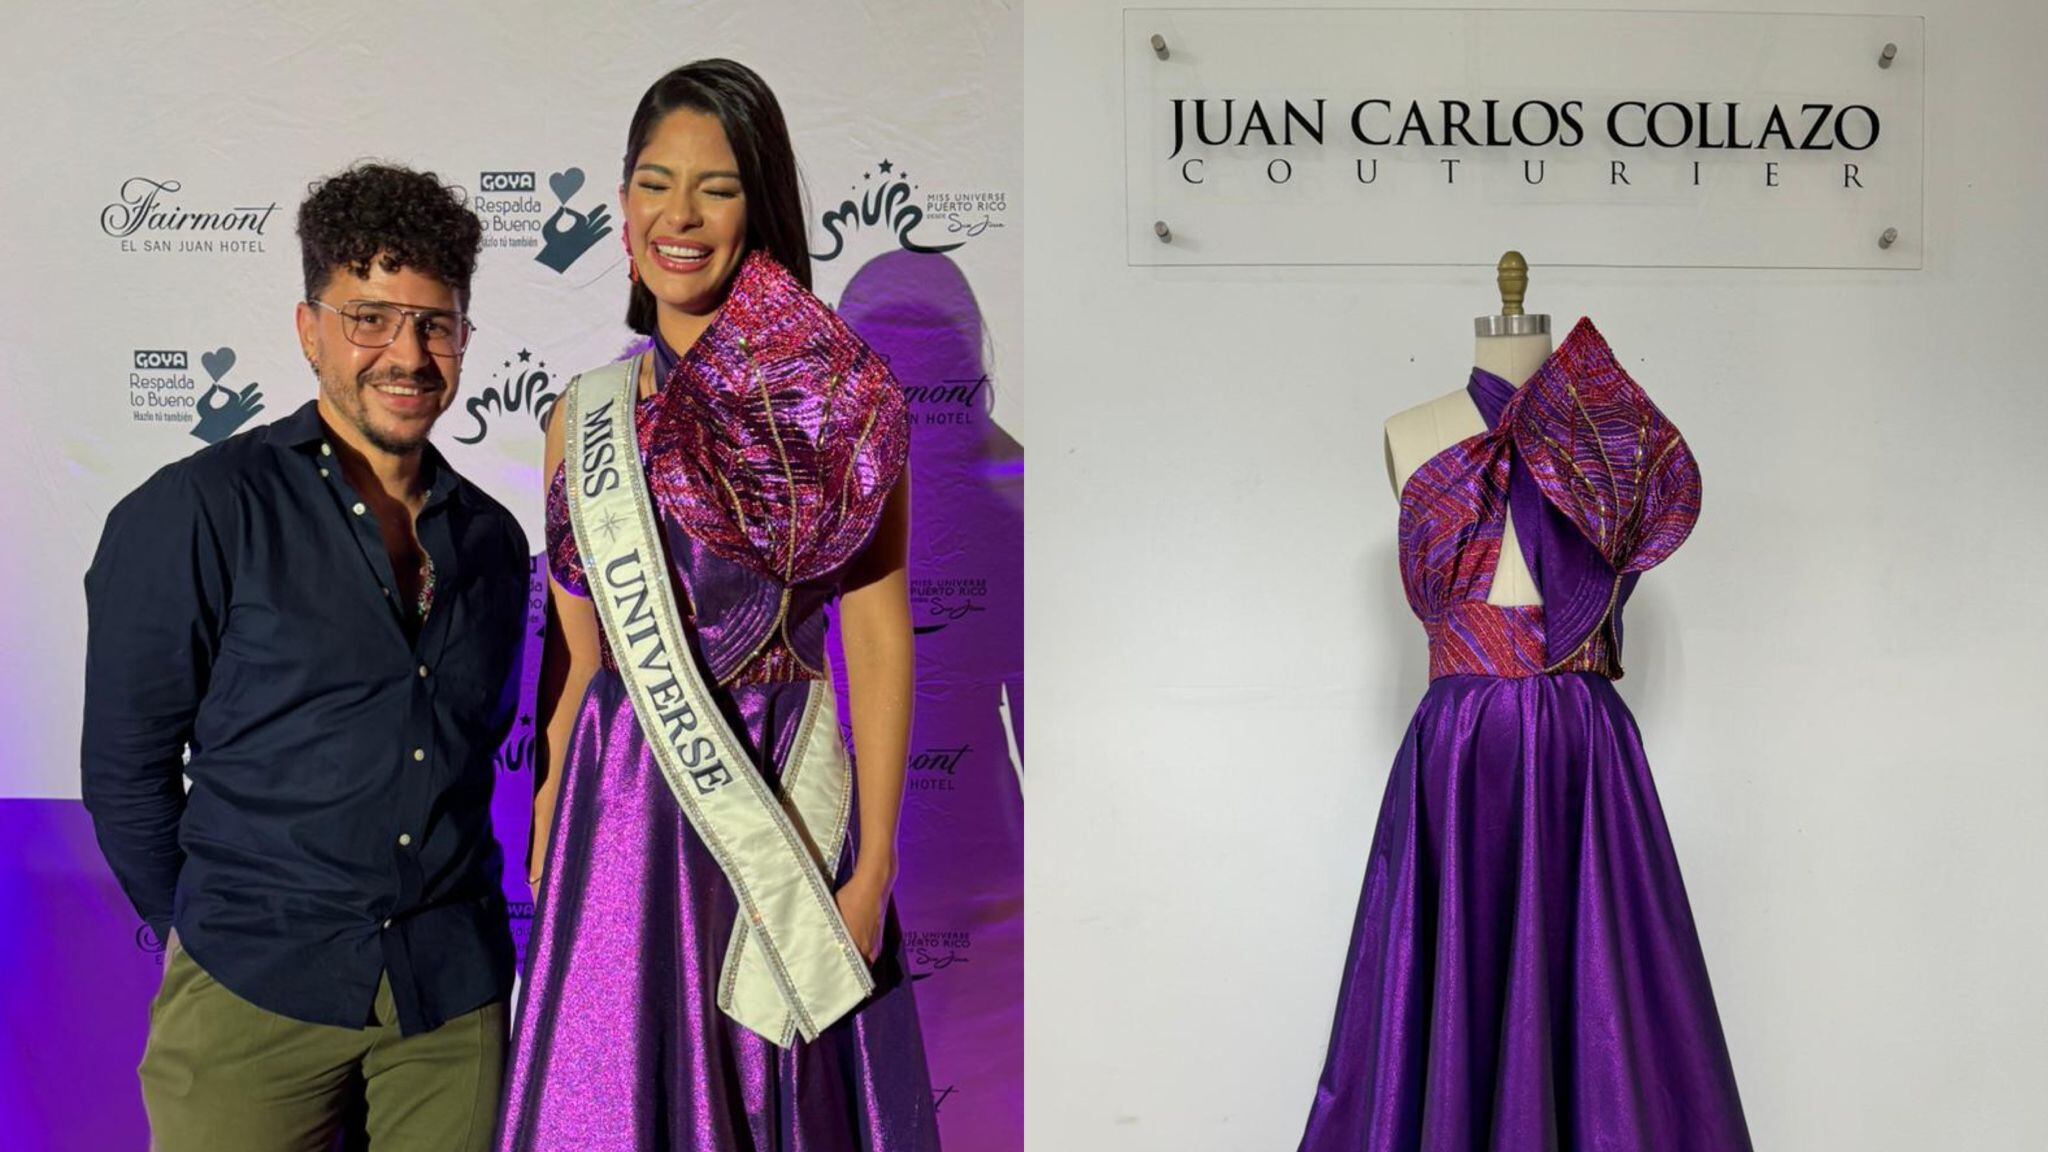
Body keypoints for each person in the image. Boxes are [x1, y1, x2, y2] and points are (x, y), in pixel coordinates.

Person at [497, 59, 941, 1151]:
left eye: (716, 187)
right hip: (620, 813)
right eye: (653, 184)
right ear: (620, 204)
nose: (678, 217)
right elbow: (584, 662)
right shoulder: (578, 419)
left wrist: (872, 862)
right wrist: (555, 807)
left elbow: (876, 639)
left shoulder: (832, 403)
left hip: (778, 791)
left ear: (762, 209)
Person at [82, 162, 528, 1152]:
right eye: (369, 317)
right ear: (309, 327)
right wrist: (223, 933)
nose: (407, 353)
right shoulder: (198, 512)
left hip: (447, 1006)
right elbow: (124, 776)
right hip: (251, 996)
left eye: (435, 323)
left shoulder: (494, 541)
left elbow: (464, 759)